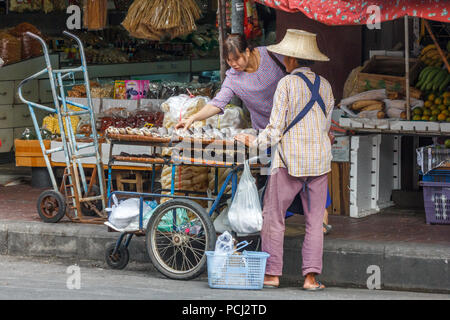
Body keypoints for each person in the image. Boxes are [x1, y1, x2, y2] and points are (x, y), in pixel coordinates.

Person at [176, 33, 332, 233]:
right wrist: (192, 118)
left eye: (237, 58)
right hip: (265, 133)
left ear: (249, 51)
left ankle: (321, 218)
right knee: (277, 178)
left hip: (294, 127)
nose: (234, 64)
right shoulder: (233, 78)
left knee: (308, 169)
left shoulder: (272, 55)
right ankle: (274, 224)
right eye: (229, 61)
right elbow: (218, 103)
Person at [235, 29, 334, 290]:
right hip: (319, 162)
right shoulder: (325, 86)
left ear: (290, 58)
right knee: (314, 221)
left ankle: (271, 274)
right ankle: (311, 278)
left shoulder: (286, 84)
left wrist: (254, 142)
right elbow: (325, 127)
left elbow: (275, 128)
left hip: (289, 160)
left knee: (273, 216)